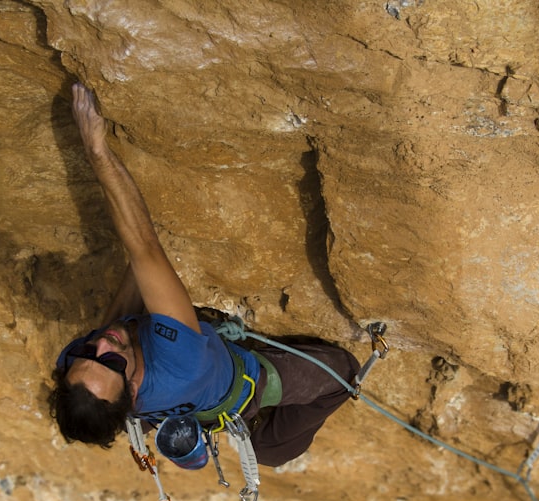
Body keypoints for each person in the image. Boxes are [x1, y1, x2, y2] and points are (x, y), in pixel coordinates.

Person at [50, 83, 359, 467]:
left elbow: (115, 321)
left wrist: (140, 275)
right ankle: (266, 438)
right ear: (130, 389)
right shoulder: (180, 363)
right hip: (236, 385)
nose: (101, 345)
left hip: (176, 393)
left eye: (87, 353)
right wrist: (97, 151)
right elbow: (145, 248)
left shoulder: (78, 366)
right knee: (342, 375)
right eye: (110, 363)